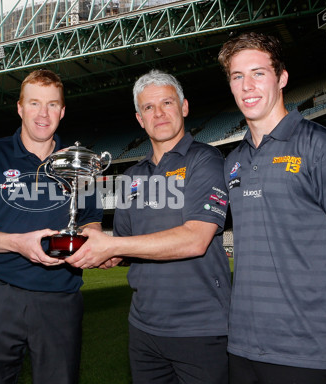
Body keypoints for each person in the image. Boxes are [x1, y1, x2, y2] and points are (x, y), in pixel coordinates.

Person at [217, 31, 326, 383]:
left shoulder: (323, 148)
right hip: (242, 347)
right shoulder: (233, 161)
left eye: (258, 73)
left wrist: (323, 313)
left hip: (309, 354)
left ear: (282, 78)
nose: (248, 86)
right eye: (237, 76)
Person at [66, 69, 230, 384]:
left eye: (167, 103)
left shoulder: (205, 161)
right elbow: (130, 245)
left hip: (201, 328)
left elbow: (196, 239)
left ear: (184, 107)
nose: (159, 113)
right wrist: (109, 253)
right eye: (149, 108)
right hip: (144, 329)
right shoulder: (130, 179)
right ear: (140, 119)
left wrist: (114, 246)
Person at [0, 69, 103, 384]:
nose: (43, 114)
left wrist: (96, 243)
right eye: (34, 103)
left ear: (62, 111)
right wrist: (18, 243)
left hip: (61, 296)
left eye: (51, 105)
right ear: (20, 108)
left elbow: (91, 222)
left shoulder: (78, 163)